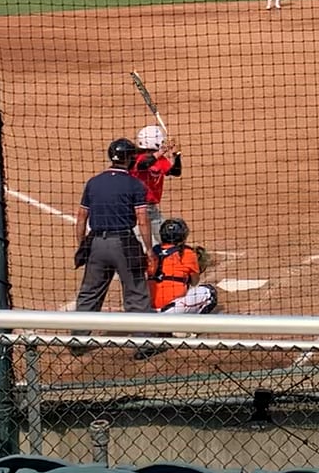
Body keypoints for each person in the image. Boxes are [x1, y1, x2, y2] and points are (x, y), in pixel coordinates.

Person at [72, 138, 161, 357]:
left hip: (96, 243)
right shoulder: (134, 184)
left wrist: (83, 245)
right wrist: (149, 250)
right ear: (129, 159)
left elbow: (82, 217)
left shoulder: (93, 182)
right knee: (136, 292)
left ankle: (77, 340)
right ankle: (144, 343)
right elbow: (142, 220)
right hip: (124, 244)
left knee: (90, 293)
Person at [148, 217, 218, 314]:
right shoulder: (187, 253)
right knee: (210, 292)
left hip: (147, 310)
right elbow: (194, 282)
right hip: (172, 310)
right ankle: (188, 322)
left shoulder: (152, 253)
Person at [129, 124, 182, 214]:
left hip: (151, 207)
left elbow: (176, 172)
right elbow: (142, 165)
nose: (163, 143)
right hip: (136, 205)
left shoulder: (160, 159)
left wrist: (176, 155)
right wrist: (161, 152)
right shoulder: (137, 157)